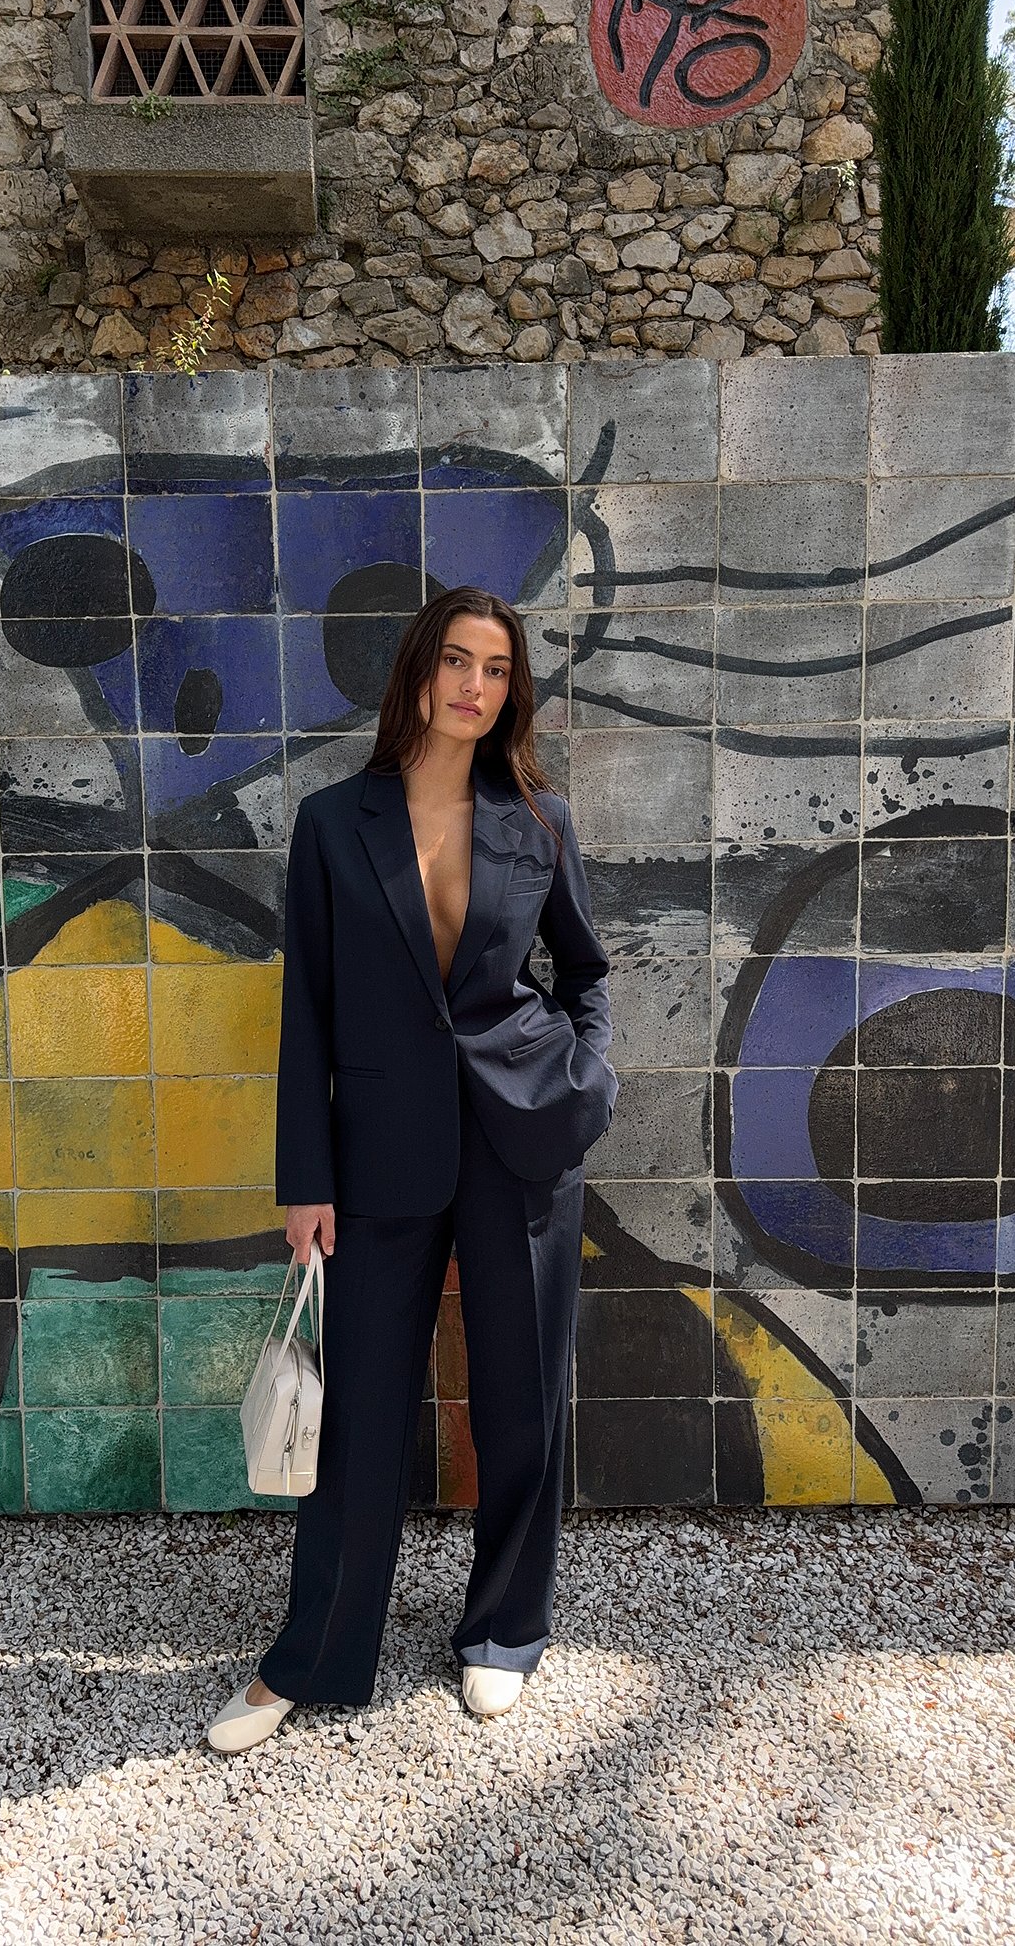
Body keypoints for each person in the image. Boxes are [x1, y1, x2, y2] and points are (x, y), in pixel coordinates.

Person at [206, 586, 618, 1755]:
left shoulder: (536, 820)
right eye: (455, 662)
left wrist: (585, 1083)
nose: (473, 686)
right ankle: (316, 1653)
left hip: (521, 1138)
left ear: (510, 690)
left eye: (495, 668)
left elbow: (584, 972)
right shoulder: (334, 823)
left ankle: (504, 1630)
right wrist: (305, 1177)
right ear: (418, 673)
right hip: (378, 1155)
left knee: (519, 1397)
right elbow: (307, 1011)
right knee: (359, 1415)